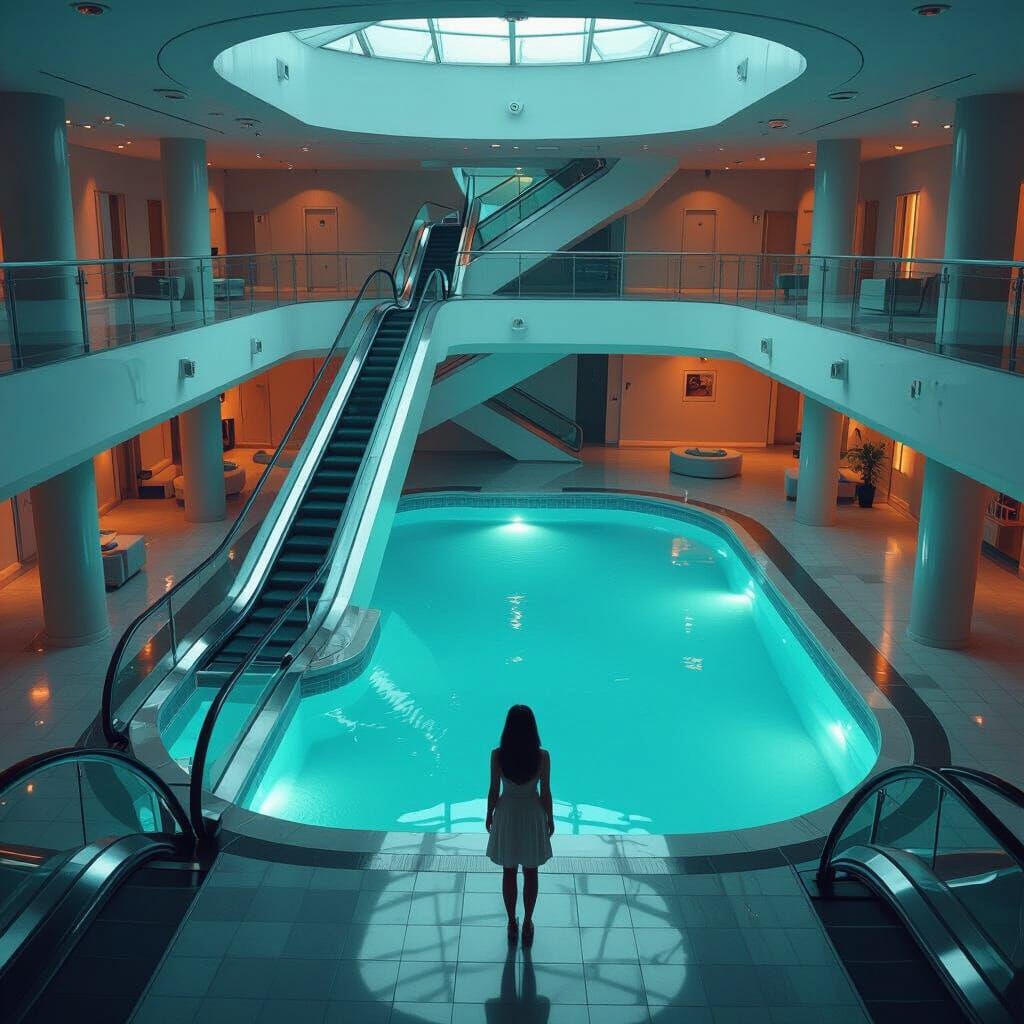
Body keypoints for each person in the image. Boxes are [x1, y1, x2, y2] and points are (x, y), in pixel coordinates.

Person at [485, 704, 554, 947]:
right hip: (532, 814)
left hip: (507, 814)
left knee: (509, 871)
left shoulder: (498, 755)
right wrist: (550, 818)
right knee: (531, 872)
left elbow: (494, 790)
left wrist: (489, 814)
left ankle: (511, 923)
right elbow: (545, 792)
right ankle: (527, 921)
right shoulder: (542, 756)